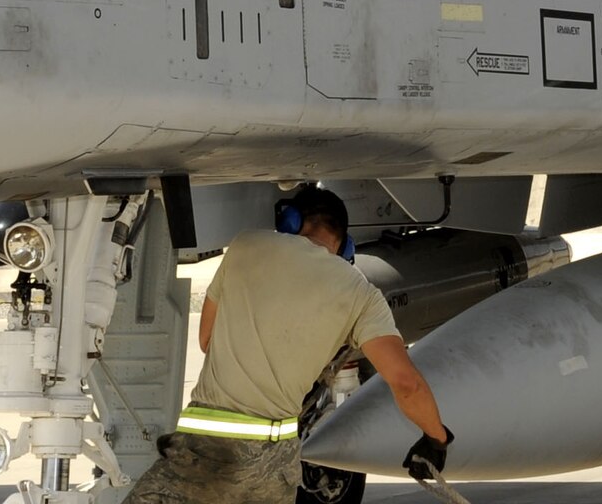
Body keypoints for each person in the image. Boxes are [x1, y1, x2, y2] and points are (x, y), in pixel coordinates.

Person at [130, 185, 451, 503]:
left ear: (291, 221)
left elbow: (205, 339)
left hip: (203, 454)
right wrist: (435, 439)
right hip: (272, 471)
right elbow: (406, 383)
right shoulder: (361, 293)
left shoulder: (246, 246)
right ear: (345, 248)